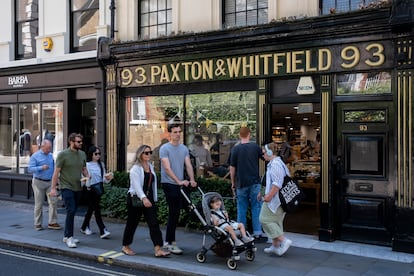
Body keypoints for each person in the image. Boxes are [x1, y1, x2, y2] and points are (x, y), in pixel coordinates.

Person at [121, 145, 170, 257]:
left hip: (149, 198)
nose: (148, 155)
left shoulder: (150, 166)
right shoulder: (135, 169)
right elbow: (137, 186)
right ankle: (125, 246)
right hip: (136, 199)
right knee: (132, 224)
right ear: (140, 154)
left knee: (154, 224)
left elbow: (152, 184)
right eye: (146, 153)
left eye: (150, 152)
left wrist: (152, 198)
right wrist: (144, 198)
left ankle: (158, 249)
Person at [160, 123, 197, 254]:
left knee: (188, 209)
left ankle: (169, 240)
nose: (178, 134)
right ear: (169, 133)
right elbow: (167, 168)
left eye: (179, 132)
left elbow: (188, 165)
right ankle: (170, 242)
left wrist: (192, 179)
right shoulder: (165, 149)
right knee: (174, 212)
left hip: (181, 184)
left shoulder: (183, 148)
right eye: (175, 132)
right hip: (169, 184)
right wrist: (178, 181)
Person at [50, 133, 89, 248]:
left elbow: (84, 169)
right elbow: (56, 173)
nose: (80, 143)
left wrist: (87, 176)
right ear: (71, 142)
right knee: (71, 210)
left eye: (81, 142)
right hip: (66, 187)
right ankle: (69, 237)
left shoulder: (82, 154)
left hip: (78, 186)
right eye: (78, 142)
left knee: (73, 210)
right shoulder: (63, 155)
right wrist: (53, 188)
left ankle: (67, 236)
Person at [229, 126, 265, 240]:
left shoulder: (235, 149)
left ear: (239, 135)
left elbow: (232, 168)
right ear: (249, 134)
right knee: (256, 207)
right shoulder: (255, 147)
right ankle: (258, 233)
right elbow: (266, 158)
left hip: (241, 183)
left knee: (242, 207)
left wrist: (232, 182)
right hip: (255, 182)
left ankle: (241, 233)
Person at [259, 142, 292, 256]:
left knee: (265, 219)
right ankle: (275, 245)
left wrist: (268, 196)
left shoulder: (275, 164)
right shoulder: (276, 163)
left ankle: (283, 240)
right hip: (278, 199)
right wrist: (262, 192)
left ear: (269, 152)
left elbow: (277, 184)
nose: (262, 155)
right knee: (276, 222)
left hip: (275, 200)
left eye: (263, 152)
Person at [28, 139, 61, 231]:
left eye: (50, 148)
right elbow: (30, 169)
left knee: (53, 201)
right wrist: (41, 167)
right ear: (42, 147)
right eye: (48, 148)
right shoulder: (35, 156)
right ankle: (38, 223)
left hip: (50, 182)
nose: (49, 150)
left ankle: (52, 222)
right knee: (39, 203)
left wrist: (56, 179)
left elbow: (54, 168)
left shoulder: (51, 156)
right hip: (38, 182)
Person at [80, 146, 113, 239]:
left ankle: (84, 226)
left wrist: (108, 178)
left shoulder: (101, 164)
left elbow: (103, 179)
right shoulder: (86, 165)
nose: (98, 155)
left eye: (99, 153)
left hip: (98, 189)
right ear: (91, 154)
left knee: (91, 209)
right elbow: (82, 179)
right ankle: (102, 230)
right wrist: (87, 179)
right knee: (97, 210)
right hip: (90, 189)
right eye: (96, 154)